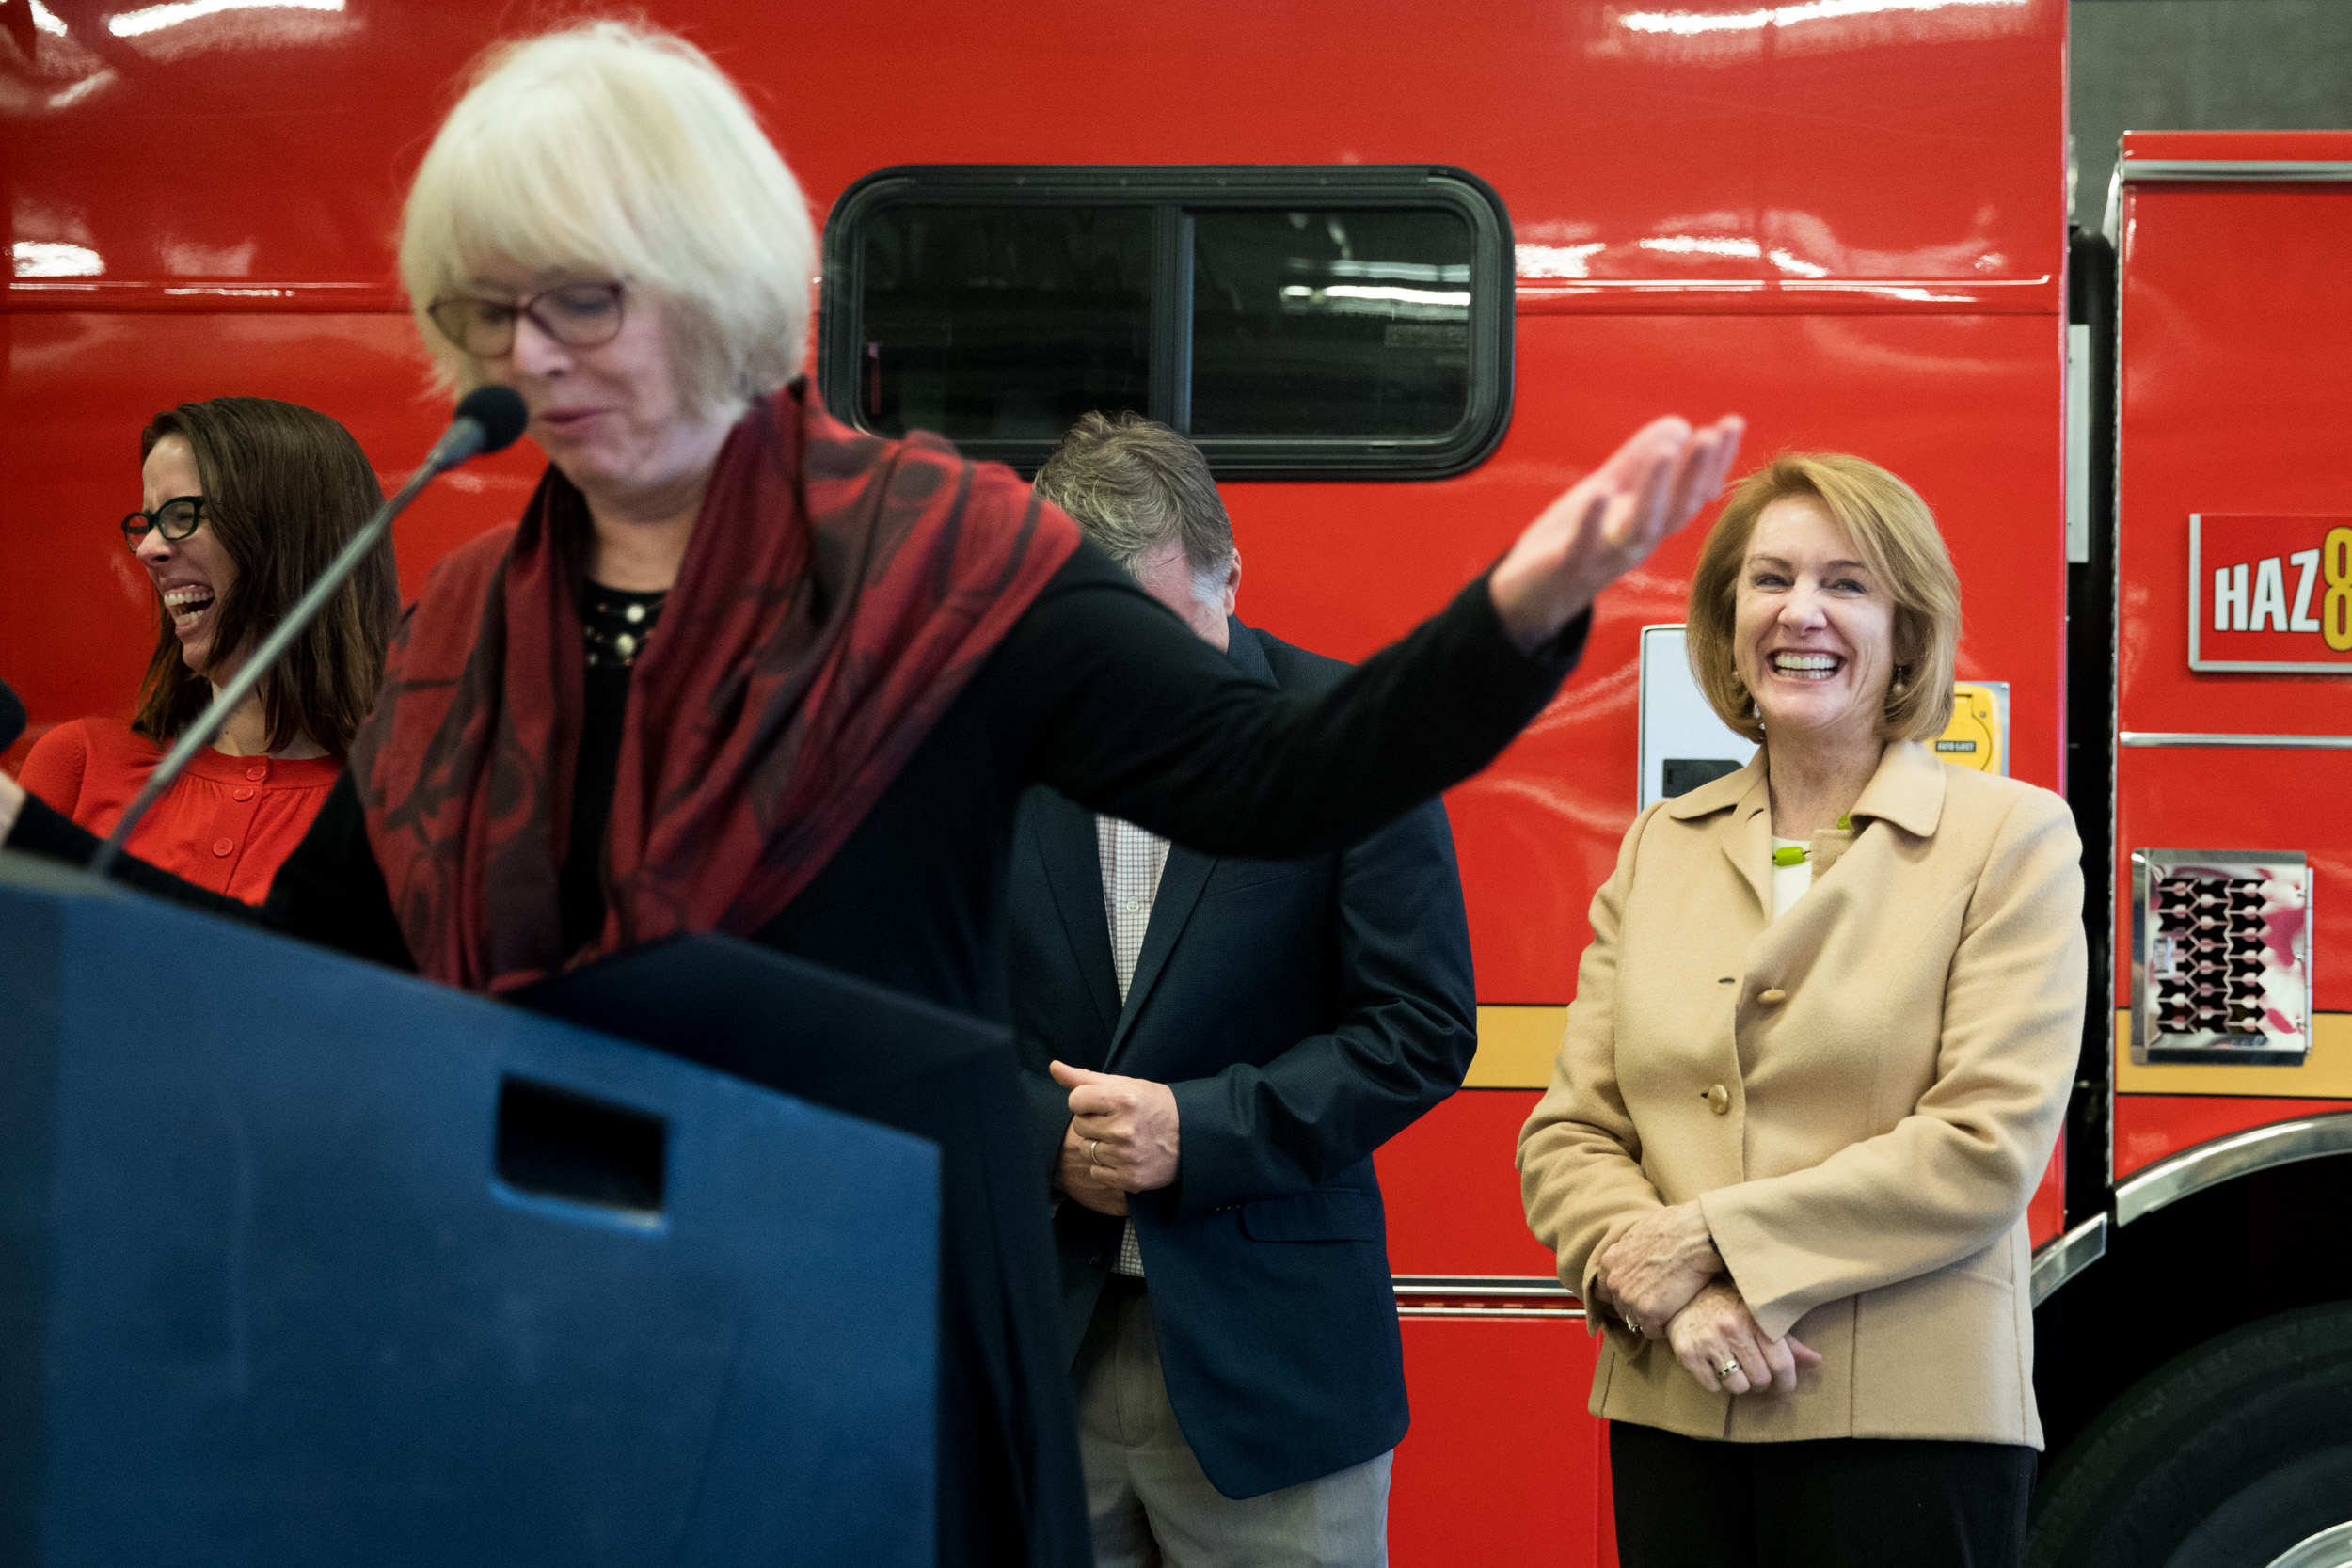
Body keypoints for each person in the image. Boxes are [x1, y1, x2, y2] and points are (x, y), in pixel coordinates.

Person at [0, 23, 1741, 1568]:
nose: (530, 356)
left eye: (580, 299)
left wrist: (1510, 618)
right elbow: (317, 975)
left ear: (712, 280)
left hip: (870, 1353)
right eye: (487, 312)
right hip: (561, 1361)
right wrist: (34, 855)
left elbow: (1272, 772)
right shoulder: (465, 624)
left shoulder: (946, 555)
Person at [1515, 452, 2086, 1568]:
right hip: (1677, 1400)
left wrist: (1706, 1240)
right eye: (1768, 579)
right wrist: (1676, 1304)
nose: (1799, 612)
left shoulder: (2009, 838)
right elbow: (1569, 1135)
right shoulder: (1658, 845)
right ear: (1729, 622)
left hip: (1909, 1430)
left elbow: (1981, 1147)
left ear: (1907, 632)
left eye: (1846, 584)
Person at [1009, 413, 1476, 1566]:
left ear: (1230, 574)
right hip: (1032, 1359)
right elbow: (909, 1021)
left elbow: (1418, 1029)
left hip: (1275, 1377)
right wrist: (1041, 1142)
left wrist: (1195, 1130)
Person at [19, 398, 394, 900]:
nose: (149, 548)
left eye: (181, 515)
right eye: (148, 522)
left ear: (292, 537)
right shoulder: (80, 765)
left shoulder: (397, 810)